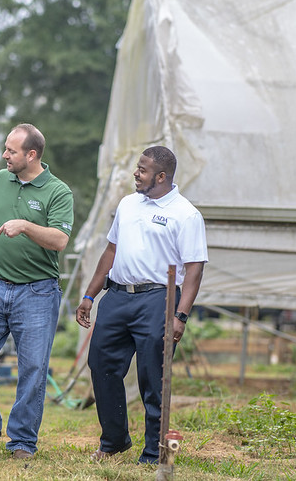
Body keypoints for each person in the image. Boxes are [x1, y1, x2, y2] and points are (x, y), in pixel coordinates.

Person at [75, 146, 208, 464]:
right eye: (137, 167)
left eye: (142, 169)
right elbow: (110, 251)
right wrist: (90, 295)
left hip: (158, 300)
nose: (136, 173)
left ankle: (153, 452)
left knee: (153, 376)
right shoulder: (127, 204)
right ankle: (114, 440)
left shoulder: (185, 214)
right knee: (101, 366)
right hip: (117, 297)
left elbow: (194, 269)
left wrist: (180, 315)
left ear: (161, 177)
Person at [0, 123, 74, 460]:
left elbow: (60, 240)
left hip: (37, 292)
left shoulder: (57, 191)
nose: (4, 155)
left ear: (31, 155)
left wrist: (26, 226)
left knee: (34, 368)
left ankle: (22, 441)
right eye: (6, 148)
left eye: (11, 150)